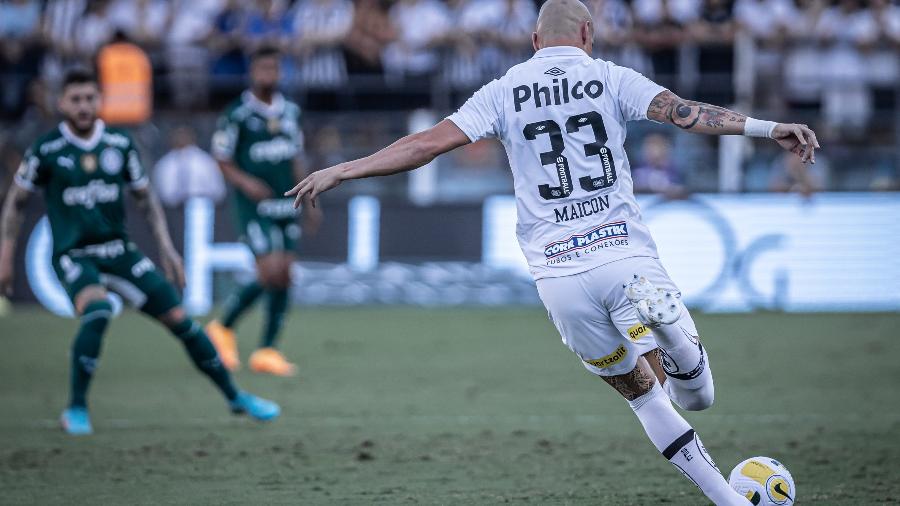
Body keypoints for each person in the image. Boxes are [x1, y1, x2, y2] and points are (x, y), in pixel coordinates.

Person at [285, 0, 818, 503]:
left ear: (535, 39)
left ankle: (726, 497)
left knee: (644, 397)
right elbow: (684, 113)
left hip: (559, 275)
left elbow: (425, 145)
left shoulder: (503, 90)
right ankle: (674, 338)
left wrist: (344, 168)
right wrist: (768, 129)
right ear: (587, 35)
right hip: (623, 255)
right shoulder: (610, 76)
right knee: (697, 396)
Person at [0, 68, 280, 436]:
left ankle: (235, 396)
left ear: (99, 101)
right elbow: (17, 202)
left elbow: (146, 199)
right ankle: (77, 408)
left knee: (183, 322)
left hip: (120, 251)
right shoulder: (47, 150)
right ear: (62, 103)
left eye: (89, 98)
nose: (84, 106)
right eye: (76, 99)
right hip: (75, 255)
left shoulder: (119, 144)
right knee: (98, 309)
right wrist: (5, 258)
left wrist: (167, 250)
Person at [206, 46, 322, 377]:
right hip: (254, 206)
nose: (268, 75)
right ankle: (222, 328)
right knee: (270, 270)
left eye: (273, 69)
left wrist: (312, 195)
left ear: (280, 72)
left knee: (285, 274)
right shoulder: (237, 114)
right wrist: (245, 183)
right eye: (262, 69)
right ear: (252, 72)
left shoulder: (291, 112)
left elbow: (296, 156)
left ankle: (267, 350)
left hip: (289, 201)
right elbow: (221, 158)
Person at [153, 125, 226, 207]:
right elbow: (159, 193)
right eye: (179, 134)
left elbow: (218, 191)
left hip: (202, 206)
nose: (182, 137)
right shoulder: (164, 164)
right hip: (170, 210)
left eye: (185, 134)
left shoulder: (206, 161)